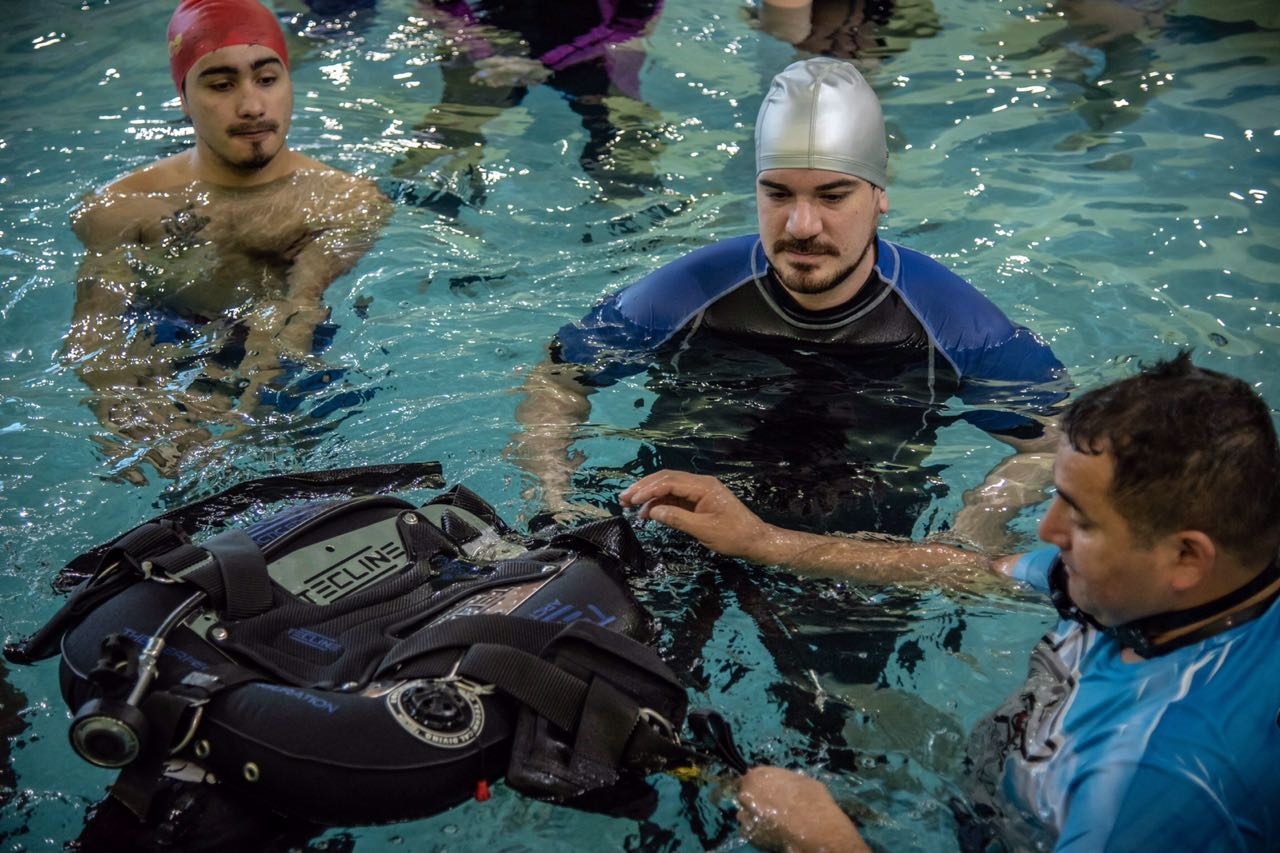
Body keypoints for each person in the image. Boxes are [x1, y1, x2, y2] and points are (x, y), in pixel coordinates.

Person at [620, 352, 1280, 852]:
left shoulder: (1152, 786)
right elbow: (964, 570)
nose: (1047, 533)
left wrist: (829, 843)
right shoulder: (1162, 586)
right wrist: (762, 539)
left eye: (1079, 518)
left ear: (1186, 558)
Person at [514, 54, 1066, 550]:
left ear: (879, 196)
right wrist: (553, 495)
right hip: (674, 535)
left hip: (857, 557)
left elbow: (1055, 444)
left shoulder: (954, 324)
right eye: (778, 194)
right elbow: (558, 379)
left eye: (832, 195)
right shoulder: (686, 294)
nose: (801, 226)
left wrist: (974, 528)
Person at [66, 0, 391, 482]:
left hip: (283, 347)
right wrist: (115, 391)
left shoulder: (346, 201)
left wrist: (266, 377)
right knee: (173, 475)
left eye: (267, 79)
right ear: (183, 99)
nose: (253, 107)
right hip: (166, 334)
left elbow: (301, 305)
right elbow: (95, 327)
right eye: (221, 85)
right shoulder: (122, 208)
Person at [389, 0, 666, 208]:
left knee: (623, 132)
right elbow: (438, 5)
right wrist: (484, 52)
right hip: (491, 45)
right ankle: (432, 222)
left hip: (591, 51)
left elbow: (632, 23)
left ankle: (635, 217)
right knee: (451, 130)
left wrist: (542, 63)